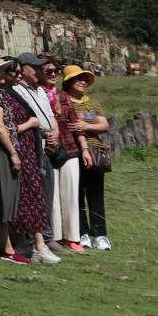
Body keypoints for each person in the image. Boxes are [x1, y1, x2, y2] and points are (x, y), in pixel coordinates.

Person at [0, 54, 40, 263]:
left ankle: (7, 248)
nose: (5, 73)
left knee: (6, 198)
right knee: (2, 198)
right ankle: (6, 249)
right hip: (0, 150)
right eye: (1, 71)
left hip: (1, 148)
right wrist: (14, 154)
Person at [11, 53, 61, 263]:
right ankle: (33, 241)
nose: (40, 71)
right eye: (36, 67)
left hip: (46, 149)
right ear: (23, 68)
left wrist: (55, 135)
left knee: (46, 195)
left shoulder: (39, 90)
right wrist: (42, 131)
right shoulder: (16, 90)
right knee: (33, 195)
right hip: (32, 149)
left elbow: (50, 116)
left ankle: (45, 237)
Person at [61, 65, 111, 250]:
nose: (83, 82)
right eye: (78, 78)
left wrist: (86, 126)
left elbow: (104, 125)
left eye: (85, 79)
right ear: (69, 81)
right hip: (73, 152)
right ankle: (81, 232)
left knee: (96, 193)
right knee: (77, 194)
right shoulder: (64, 101)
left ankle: (100, 234)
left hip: (95, 151)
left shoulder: (93, 103)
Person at [45, 60, 88, 252]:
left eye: (55, 70)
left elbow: (75, 123)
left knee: (71, 193)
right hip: (48, 150)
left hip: (69, 149)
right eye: (48, 71)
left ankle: (73, 237)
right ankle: (55, 237)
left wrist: (84, 148)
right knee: (52, 196)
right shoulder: (35, 94)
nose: (53, 74)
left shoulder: (63, 95)